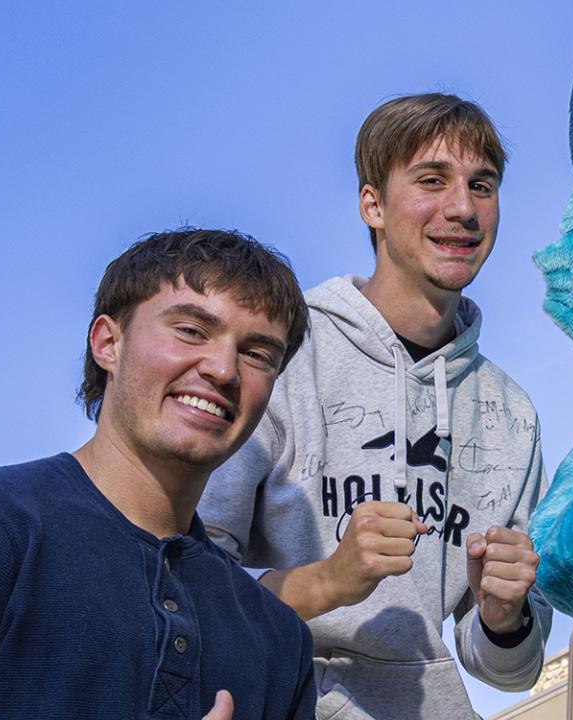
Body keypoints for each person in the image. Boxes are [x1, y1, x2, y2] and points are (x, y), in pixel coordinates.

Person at [0, 228, 315, 719]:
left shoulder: (278, 639)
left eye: (258, 354)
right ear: (107, 342)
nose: (223, 369)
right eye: (191, 331)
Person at [199, 92, 551, 718]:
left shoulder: (513, 414)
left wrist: (503, 615)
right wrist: (327, 580)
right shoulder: (279, 353)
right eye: (432, 180)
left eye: (482, 184)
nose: (463, 208)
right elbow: (186, 587)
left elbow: (510, 672)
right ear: (373, 205)